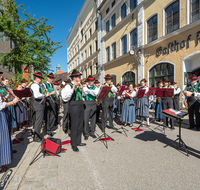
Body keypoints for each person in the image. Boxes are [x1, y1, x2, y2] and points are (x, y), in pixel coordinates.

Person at [62, 69, 86, 152]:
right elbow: (65, 98)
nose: (80, 78)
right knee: (74, 125)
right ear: (74, 78)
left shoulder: (80, 85)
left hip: (80, 105)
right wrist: (73, 88)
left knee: (80, 125)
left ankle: (79, 141)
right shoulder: (68, 86)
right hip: (73, 106)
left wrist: (82, 89)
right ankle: (74, 144)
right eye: (79, 77)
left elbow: (84, 95)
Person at [31, 72, 53, 142]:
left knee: (38, 120)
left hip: (39, 104)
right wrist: (45, 95)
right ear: (37, 78)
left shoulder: (38, 85)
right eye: (40, 78)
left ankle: (36, 135)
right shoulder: (35, 85)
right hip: (38, 104)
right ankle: (36, 137)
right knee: (38, 121)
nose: (41, 80)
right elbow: (37, 95)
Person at [82, 75, 99, 140]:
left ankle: (92, 132)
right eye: (90, 80)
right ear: (88, 81)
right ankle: (86, 133)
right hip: (86, 103)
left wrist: (87, 90)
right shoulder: (84, 87)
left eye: (92, 80)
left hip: (93, 103)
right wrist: (87, 90)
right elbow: (84, 93)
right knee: (86, 119)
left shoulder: (96, 88)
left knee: (93, 119)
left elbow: (95, 93)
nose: (92, 82)